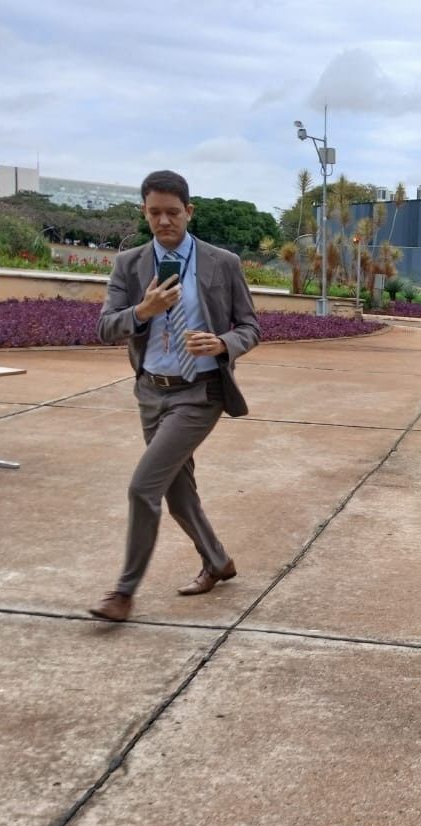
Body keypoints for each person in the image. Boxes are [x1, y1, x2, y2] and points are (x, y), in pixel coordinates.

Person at [89, 170, 260, 622]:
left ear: (189, 211)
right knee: (177, 491)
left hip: (200, 393)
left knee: (143, 487)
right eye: (154, 213)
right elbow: (105, 327)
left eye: (172, 212)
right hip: (151, 392)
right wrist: (143, 311)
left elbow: (250, 327)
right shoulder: (128, 265)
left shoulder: (223, 263)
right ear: (144, 213)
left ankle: (123, 593)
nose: (164, 221)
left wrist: (222, 343)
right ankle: (217, 561)